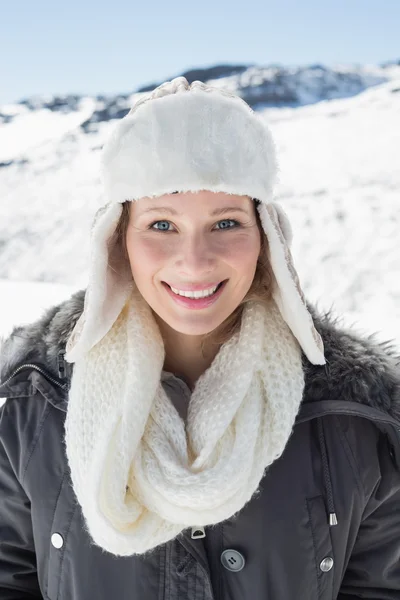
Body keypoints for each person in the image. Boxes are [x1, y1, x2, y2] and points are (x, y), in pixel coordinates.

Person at [0, 77, 399, 600]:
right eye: (162, 225)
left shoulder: (354, 417)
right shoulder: (33, 404)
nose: (194, 260)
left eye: (227, 222)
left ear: (267, 238)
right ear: (117, 242)